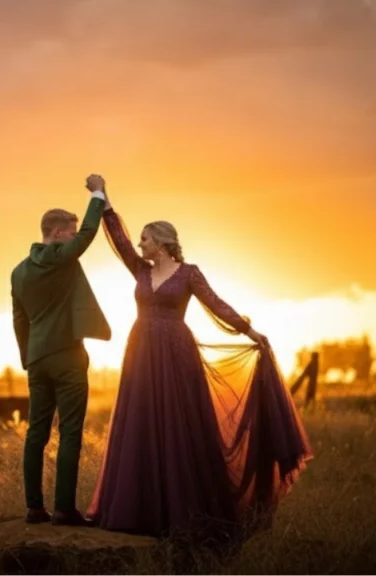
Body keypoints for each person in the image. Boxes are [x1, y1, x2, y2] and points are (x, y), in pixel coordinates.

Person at [87, 179, 313, 539]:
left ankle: (184, 514)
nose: (141, 244)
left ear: (161, 243)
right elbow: (120, 240)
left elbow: (217, 304)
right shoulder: (140, 270)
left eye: (146, 239)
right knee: (141, 423)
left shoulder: (189, 274)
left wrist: (249, 331)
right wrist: (104, 200)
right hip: (141, 354)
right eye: (142, 239)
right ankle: (136, 510)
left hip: (177, 354)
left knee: (180, 427)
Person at [10, 174, 111, 526]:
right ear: (55, 234)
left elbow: (19, 320)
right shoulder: (59, 257)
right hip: (67, 355)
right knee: (70, 431)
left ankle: (34, 508)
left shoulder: (19, 272)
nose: (72, 238)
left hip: (37, 359)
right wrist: (98, 194)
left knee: (36, 432)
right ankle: (65, 510)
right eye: (67, 232)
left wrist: (29, 358)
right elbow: (85, 236)